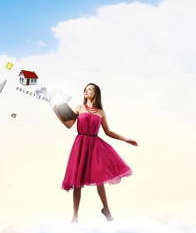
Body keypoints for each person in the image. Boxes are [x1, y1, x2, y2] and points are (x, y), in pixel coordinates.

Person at [52, 83, 138, 223]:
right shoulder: (79, 107)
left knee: (100, 180)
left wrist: (126, 139)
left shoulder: (100, 112)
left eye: (90, 89)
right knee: (77, 182)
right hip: (80, 145)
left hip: (95, 147)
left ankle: (107, 211)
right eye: (85, 90)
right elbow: (68, 125)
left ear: (96, 93)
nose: (86, 91)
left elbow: (108, 132)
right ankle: (75, 216)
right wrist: (55, 109)